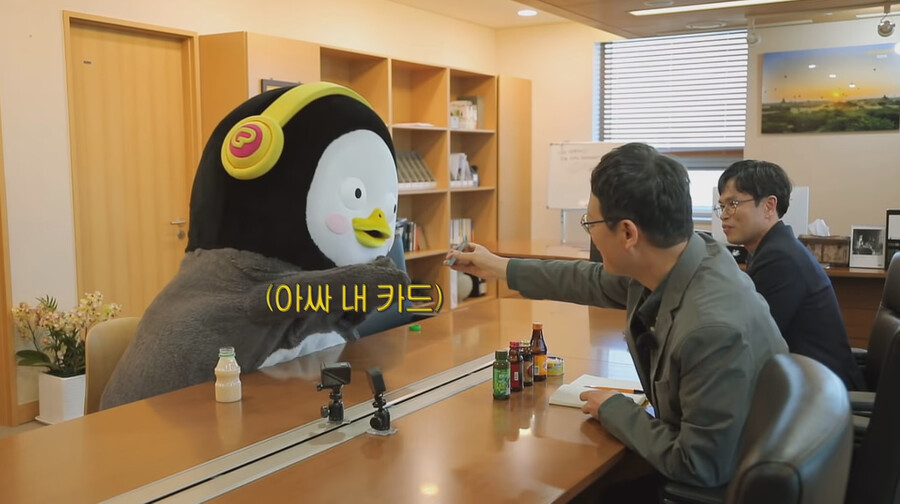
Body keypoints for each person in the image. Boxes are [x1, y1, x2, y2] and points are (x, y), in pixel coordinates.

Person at [447, 143, 787, 494]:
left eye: (590, 223)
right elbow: (588, 280)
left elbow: (698, 464)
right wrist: (499, 266)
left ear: (627, 233)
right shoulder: (690, 255)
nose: (590, 232)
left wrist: (615, 409)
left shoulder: (711, 329)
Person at [716, 160, 865, 390]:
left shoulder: (780, 258)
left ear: (769, 205)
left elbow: (751, 340)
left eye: (733, 204)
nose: (724, 215)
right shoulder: (771, 249)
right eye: (722, 206)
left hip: (823, 394)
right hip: (804, 382)